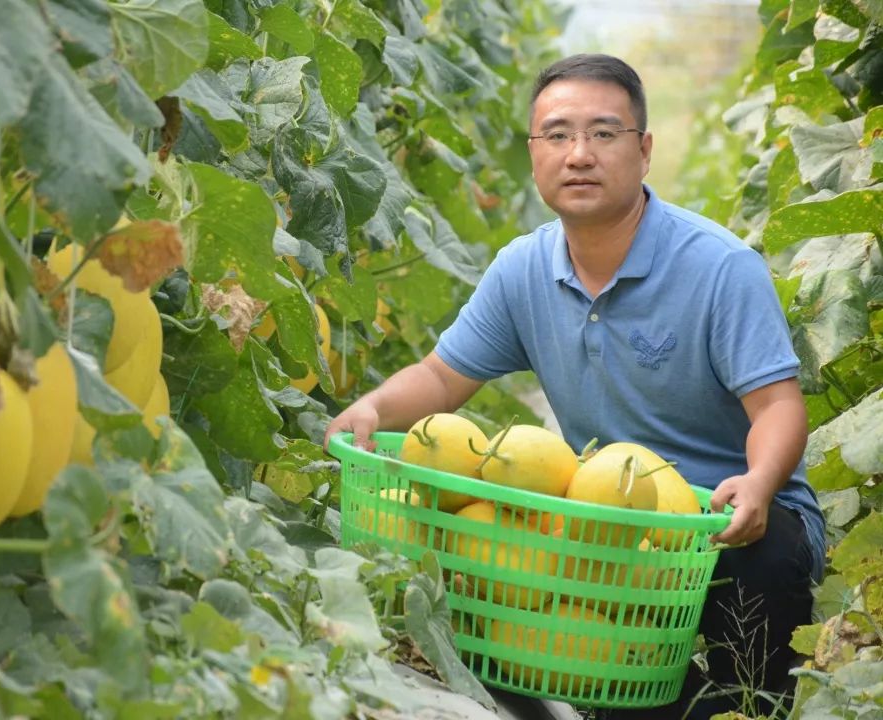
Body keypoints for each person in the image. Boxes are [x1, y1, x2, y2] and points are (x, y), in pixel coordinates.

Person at [324, 54, 825, 719]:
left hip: (726, 523)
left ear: (644, 150)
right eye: (557, 135)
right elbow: (442, 378)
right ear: (535, 154)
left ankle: (743, 702)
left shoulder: (719, 267)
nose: (579, 154)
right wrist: (373, 406)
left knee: (748, 638)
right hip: (607, 528)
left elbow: (778, 408)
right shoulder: (523, 269)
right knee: (612, 687)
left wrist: (758, 484)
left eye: (604, 133)